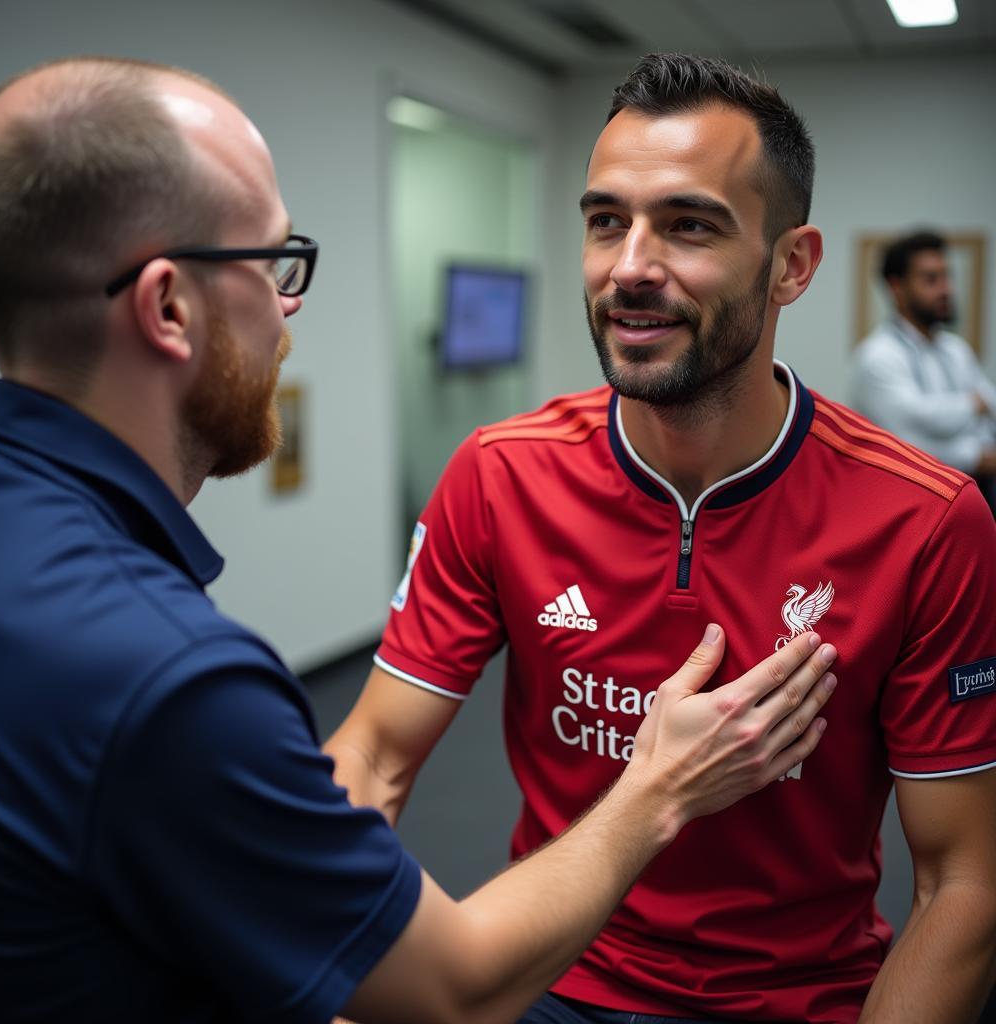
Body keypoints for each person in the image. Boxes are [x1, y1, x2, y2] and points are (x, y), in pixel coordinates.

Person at [0, 57, 841, 1024]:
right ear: (169, 307)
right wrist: (663, 784)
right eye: (272, 263)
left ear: (790, 264)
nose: (289, 305)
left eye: (688, 224)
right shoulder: (167, 676)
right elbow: (453, 989)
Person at [326, 53, 996, 1024]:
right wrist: (333, 964)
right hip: (550, 972)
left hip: (798, 998)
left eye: (688, 225)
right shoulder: (500, 473)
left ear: (790, 266)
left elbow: (962, 882)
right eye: (607, 221)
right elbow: (374, 756)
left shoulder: (927, 520)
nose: (629, 266)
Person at [851, 229, 996, 514]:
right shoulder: (877, 357)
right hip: (908, 505)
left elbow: (990, 408)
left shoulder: (956, 350)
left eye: (947, 276)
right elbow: (912, 444)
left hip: (972, 493)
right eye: (931, 279)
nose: (946, 289)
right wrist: (972, 408)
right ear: (896, 287)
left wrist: (973, 412)